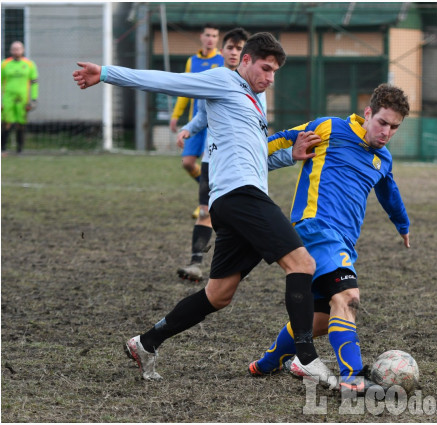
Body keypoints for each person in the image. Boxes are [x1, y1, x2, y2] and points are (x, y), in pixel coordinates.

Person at [73, 32, 332, 386]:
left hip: (234, 199)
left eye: (274, 73)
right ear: (244, 61)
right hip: (240, 197)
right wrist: (105, 72)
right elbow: (166, 81)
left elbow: (253, 158)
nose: (270, 78)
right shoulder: (224, 80)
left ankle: (146, 342)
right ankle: (306, 357)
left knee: (218, 295)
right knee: (301, 263)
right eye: (265, 69)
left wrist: (289, 155)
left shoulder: (256, 100)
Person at [249, 83, 411, 395]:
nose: (386, 132)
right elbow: (273, 141)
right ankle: (352, 377)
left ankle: (268, 362)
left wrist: (402, 224)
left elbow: (390, 194)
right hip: (315, 229)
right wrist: (242, 160)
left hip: (343, 242)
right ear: (367, 113)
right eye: (382, 123)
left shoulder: (384, 158)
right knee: (348, 297)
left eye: (394, 127)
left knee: (321, 319)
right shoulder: (329, 128)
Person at [174, 27, 249, 282]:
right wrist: (187, 128)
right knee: (205, 210)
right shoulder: (215, 76)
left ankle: (238, 263)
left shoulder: (254, 84)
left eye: (239, 49)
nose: (234, 52)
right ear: (223, 50)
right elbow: (203, 113)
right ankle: (196, 263)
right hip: (211, 154)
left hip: (240, 162)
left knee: (236, 213)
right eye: (230, 47)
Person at [170, 23, 223, 218]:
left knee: (208, 163)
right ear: (201, 37)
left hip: (214, 123)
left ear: (218, 39)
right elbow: (185, 90)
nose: (211, 38)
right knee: (187, 163)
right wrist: (176, 115)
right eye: (208, 35)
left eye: (214, 35)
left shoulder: (222, 60)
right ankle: (207, 192)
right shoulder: (192, 62)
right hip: (196, 121)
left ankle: (205, 202)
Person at [1, 41, 39, 156]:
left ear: (23, 50)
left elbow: (34, 82)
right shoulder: (4, 64)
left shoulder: (29, 64)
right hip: (8, 98)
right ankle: (2, 149)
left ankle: (20, 150)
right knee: (6, 122)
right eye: (13, 49)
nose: (16, 51)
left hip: (23, 99)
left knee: (21, 123)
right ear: (10, 51)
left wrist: (34, 99)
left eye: (18, 49)